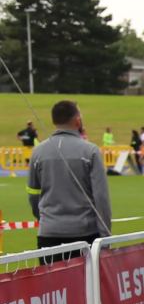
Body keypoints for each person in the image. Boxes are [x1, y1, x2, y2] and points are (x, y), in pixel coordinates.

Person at [27, 100, 112, 256]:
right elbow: (101, 197)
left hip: (48, 233)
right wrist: (105, 237)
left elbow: (33, 194)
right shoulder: (90, 151)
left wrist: (45, 219)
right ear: (77, 121)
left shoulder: (38, 152)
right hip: (84, 234)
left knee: (52, 274)